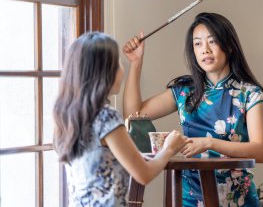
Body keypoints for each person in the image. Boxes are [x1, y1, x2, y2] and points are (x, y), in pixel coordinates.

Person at [123, 12, 263, 207]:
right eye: (198, 44)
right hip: (189, 198)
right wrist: (135, 63)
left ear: (230, 46)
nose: (205, 50)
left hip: (237, 200)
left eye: (213, 41)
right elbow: (134, 115)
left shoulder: (249, 93)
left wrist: (209, 143)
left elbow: (260, 151)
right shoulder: (185, 90)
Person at [53, 32, 190, 207]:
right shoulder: (106, 117)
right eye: (117, 62)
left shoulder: (67, 114)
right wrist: (169, 149)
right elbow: (143, 174)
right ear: (103, 72)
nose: (121, 68)